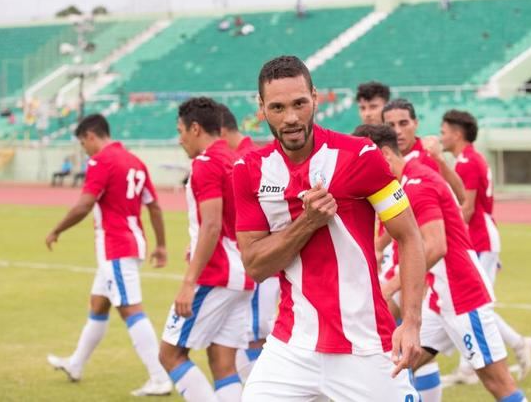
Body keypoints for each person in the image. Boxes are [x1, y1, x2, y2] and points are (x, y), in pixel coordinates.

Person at [234, 55, 426, 401]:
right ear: (261, 108)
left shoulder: (361, 155)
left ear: (315, 99)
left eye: (299, 104)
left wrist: (411, 323)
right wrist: (307, 223)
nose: (291, 117)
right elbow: (255, 266)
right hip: (291, 347)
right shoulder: (249, 170)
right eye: (277, 107)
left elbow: (410, 236)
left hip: (366, 345)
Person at [354, 124, 529, 402]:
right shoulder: (407, 183)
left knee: (499, 385)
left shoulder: (418, 184)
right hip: (440, 300)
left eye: (364, 161)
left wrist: (388, 288)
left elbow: (435, 246)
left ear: (384, 155)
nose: (361, 171)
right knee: (398, 367)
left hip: (462, 296)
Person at [45, 114, 172, 397]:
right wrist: (161, 245)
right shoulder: (135, 161)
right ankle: (76, 364)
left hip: (116, 247)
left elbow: (84, 204)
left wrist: (56, 230)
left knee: (130, 308)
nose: (84, 150)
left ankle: (160, 376)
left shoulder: (101, 161)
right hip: (131, 243)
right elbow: (154, 207)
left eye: (82, 143)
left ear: (91, 136)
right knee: (99, 305)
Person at [158, 97, 255, 402]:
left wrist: (189, 282)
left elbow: (211, 226)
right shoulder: (234, 158)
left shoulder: (206, 163)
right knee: (223, 363)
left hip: (218, 274)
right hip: (243, 274)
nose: (180, 139)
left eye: (181, 130)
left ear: (195, 128)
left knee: (170, 354)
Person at [435, 110, 531, 383]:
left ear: (457, 134)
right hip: (481, 238)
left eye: (444, 131)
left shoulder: (468, 162)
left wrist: (443, 233)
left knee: (472, 303)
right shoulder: (470, 159)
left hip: (477, 237)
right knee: (467, 303)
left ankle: (516, 345)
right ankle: (471, 365)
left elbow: (466, 209)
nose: (441, 136)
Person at [218, 103, 279, 382]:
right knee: (249, 335)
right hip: (265, 256)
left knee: (254, 336)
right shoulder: (251, 154)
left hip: (260, 260)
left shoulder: (245, 160)